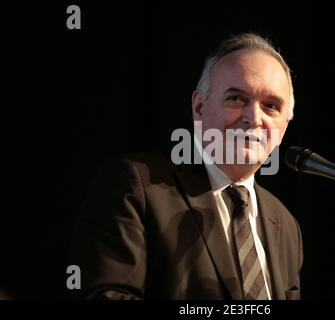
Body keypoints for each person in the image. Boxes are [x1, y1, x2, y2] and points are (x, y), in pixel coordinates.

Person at [69, 33, 303, 300]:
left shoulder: (285, 225)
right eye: (237, 99)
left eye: (271, 106)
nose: (254, 118)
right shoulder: (138, 185)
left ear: (285, 126)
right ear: (199, 107)